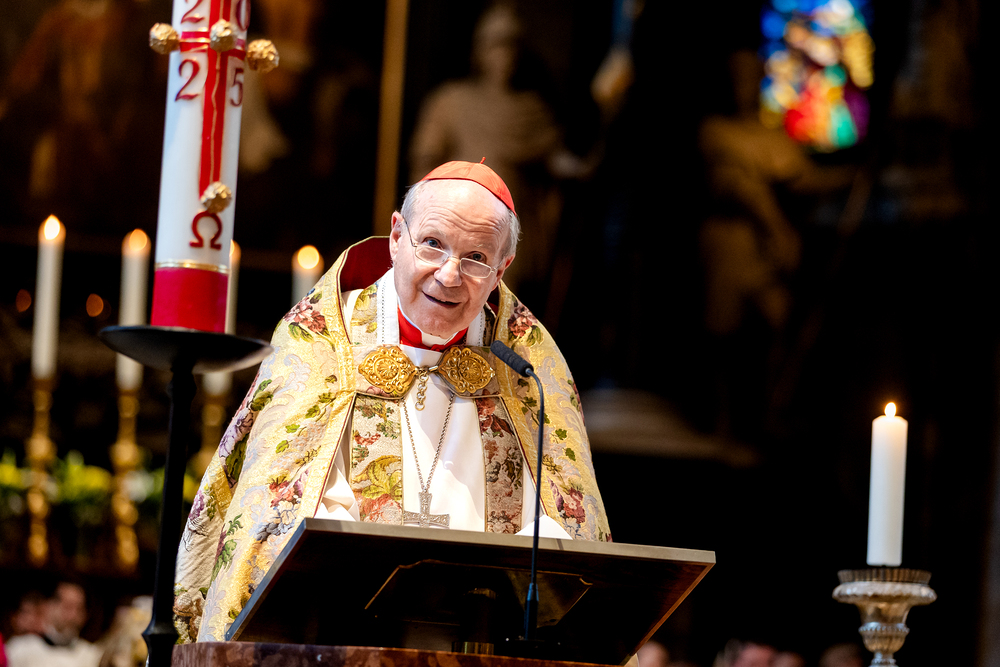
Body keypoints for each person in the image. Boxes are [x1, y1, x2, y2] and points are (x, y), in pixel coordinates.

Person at [174, 160, 612, 643]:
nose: (449, 275)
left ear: (501, 270)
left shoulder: (528, 366)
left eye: (476, 258)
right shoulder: (322, 342)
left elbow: (566, 535)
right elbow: (277, 520)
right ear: (397, 236)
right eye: (433, 244)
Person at [4, 582, 102, 667]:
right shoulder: (20, 648)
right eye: (68, 607)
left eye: (79, 609)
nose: (72, 616)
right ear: (50, 606)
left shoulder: (92, 655)